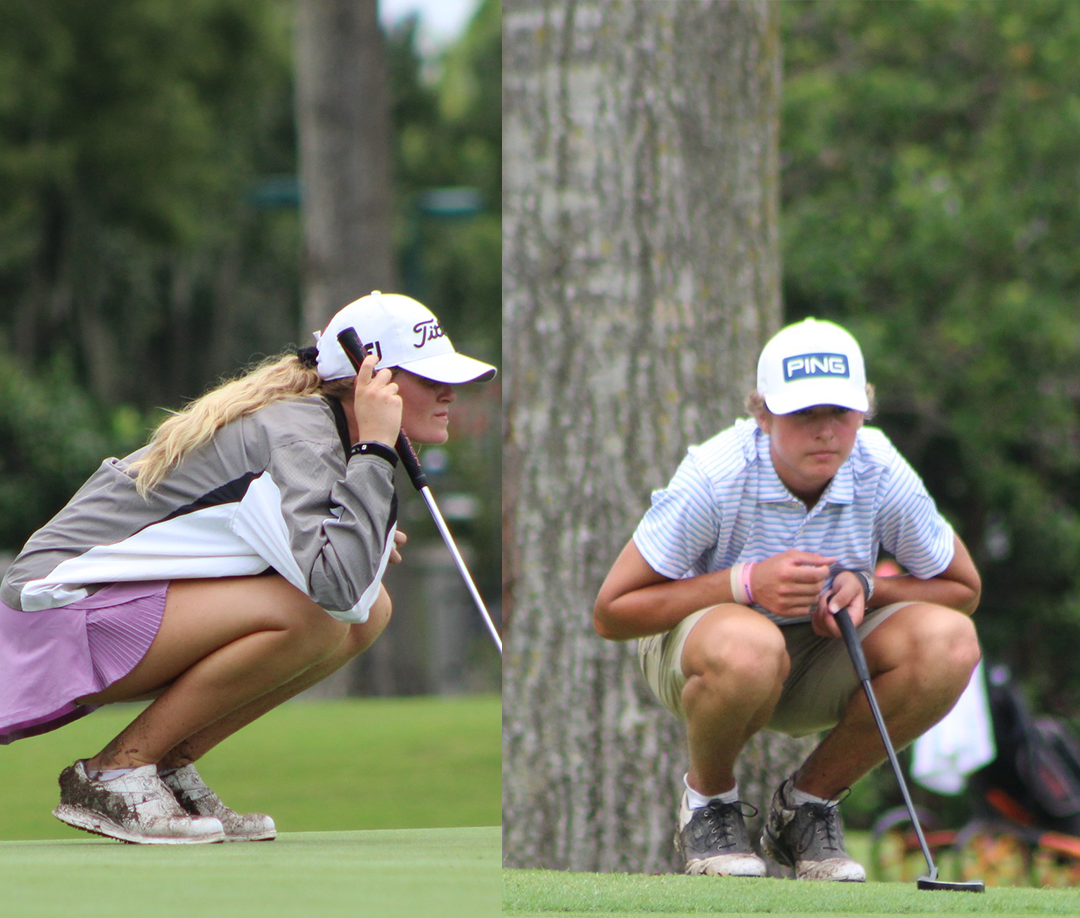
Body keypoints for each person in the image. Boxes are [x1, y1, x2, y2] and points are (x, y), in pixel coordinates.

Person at [0, 290, 496, 845]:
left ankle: (165, 765)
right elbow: (338, 591)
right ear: (368, 379)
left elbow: (346, 584)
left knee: (372, 611)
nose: (451, 393)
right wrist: (378, 448)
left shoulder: (321, 430)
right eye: (429, 379)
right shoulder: (302, 436)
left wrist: (366, 533)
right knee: (318, 614)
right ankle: (116, 772)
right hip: (51, 615)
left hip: (100, 607)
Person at [593, 317, 981, 882]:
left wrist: (868, 587)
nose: (825, 431)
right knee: (750, 644)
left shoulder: (879, 466)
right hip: (702, 651)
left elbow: (962, 590)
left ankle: (807, 807)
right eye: (804, 414)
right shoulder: (716, 473)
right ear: (763, 412)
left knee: (951, 642)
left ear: (863, 411)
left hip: (820, 654)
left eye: (840, 413)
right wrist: (743, 584)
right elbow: (613, 612)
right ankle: (710, 805)